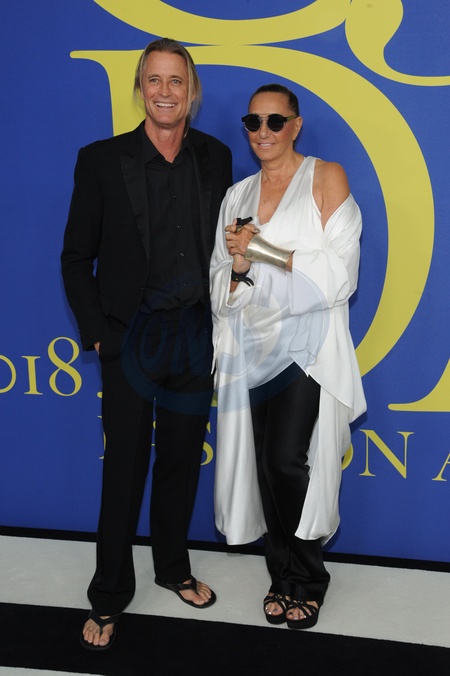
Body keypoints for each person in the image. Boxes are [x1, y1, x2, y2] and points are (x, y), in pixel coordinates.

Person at [61, 38, 232, 650]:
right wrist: (102, 336)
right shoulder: (101, 160)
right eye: (154, 80)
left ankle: (172, 567)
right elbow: (75, 258)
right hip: (131, 339)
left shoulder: (215, 157)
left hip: (194, 335)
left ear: (192, 91)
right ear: (140, 88)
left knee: (182, 461)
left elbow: (227, 248)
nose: (165, 91)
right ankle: (109, 593)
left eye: (175, 80)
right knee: (125, 468)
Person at [210, 84, 366, 630]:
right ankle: (280, 575)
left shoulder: (327, 177)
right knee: (263, 464)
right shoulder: (237, 196)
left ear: (296, 125)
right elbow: (221, 281)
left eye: (275, 121)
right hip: (250, 347)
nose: (263, 132)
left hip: (308, 346)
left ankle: (308, 578)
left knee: (284, 459)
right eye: (253, 121)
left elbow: (339, 274)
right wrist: (240, 269)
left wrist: (259, 252)